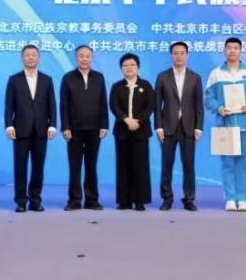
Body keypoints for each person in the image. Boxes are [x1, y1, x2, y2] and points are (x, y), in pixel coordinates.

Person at [204, 37, 246, 212]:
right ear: (224, 50)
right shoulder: (216, 74)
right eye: (229, 47)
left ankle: (243, 199)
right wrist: (219, 108)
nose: (232, 50)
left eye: (236, 48)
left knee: (245, 163)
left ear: (240, 51)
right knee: (228, 163)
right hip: (226, 124)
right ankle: (230, 198)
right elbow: (208, 98)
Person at [4, 45, 57, 213]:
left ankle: (35, 200)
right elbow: (9, 105)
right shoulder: (14, 79)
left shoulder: (47, 80)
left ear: (39, 58)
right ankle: (20, 201)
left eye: (34, 55)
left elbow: (52, 104)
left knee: (38, 167)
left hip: (41, 130)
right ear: (22, 58)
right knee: (20, 166)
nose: (31, 58)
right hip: (20, 129)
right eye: (27, 55)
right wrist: (9, 125)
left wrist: (53, 125)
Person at [154, 41, 204, 212]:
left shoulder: (195, 77)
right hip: (167, 128)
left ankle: (189, 199)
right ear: (171, 55)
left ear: (187, 55)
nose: (179, 56)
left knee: (189, 166)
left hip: (189, 128)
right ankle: (167, 198)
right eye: (176, 53)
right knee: (166, 165)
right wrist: (158, 127)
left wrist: (198, 127)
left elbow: (199, 105)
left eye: (182, 53)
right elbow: (157, 104)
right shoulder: (162, 76)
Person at [60, 45, 108, 211]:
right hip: (74, 129)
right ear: (76, 57)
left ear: (92, 57)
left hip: (94, 128)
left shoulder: (99, 77)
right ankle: (74, 200)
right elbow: (64, 104)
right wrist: (65, 127)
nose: (84, 59)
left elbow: (103, 101)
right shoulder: (68, 78)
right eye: (81, 56)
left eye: (88, 56)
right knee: (75, 166)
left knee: (91, 165)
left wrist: (104, 125)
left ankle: (92, 200)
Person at [109, 52, 155, 211]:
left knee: (140, 166)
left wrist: (137, 121)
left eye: (132, 65)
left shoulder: (146, 85)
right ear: (121, 68)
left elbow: (150, 106)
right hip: (122, 131)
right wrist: (126, 119)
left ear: (138, 67)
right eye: (125, 65)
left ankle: (140, 200)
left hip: (141, 131)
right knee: (123, 166)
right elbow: (114, 105)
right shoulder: (116, 86)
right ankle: (124, 201)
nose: (129, 68)